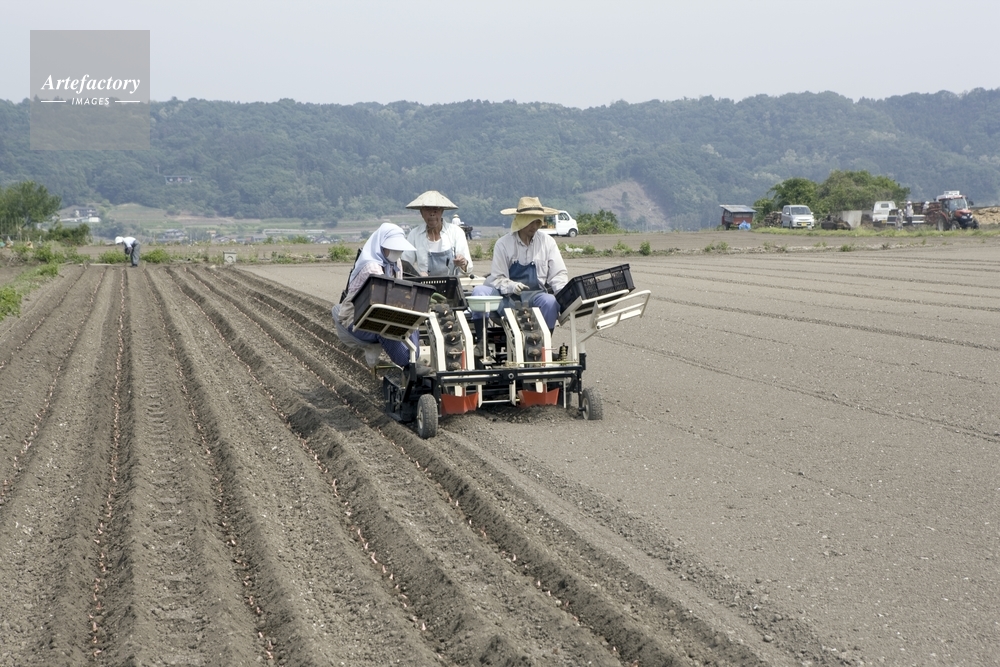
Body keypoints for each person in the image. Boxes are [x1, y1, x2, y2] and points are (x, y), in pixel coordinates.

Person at [470, 196, 568, 331]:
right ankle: (482, 339)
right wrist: (512, 286)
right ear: (521, 220)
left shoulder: (548, 242)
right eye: (530, 221)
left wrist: (565, 294)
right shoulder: (503, 244)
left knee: (550, 302)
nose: (534, 226)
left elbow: (558, 274)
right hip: (506, 298)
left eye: (537, 221)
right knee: (479, 292)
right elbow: (498, 277)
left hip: (535, 296)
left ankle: (542, 342)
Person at [332, 223, 419, 368]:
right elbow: (385, 297)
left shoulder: (395, 263)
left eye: (399, 249)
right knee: (384, 328)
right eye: (393, 248)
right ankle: (407, 363)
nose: (397, 252)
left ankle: (414, 360)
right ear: (381, 246)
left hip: (379, 311)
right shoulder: (371, 267)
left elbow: (397, 291)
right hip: (357, 317)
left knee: (412, 321)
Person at [400, 190, 473, 277]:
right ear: (421, 212)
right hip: (424, 284)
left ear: (442, 211)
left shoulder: (456, 232)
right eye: (427, 210)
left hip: (452, 283)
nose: (432, 214)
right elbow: (405, 265)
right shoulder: (415, 234)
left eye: (435, 210)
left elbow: (468, 269)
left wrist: (463, 263)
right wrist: (417, 275)